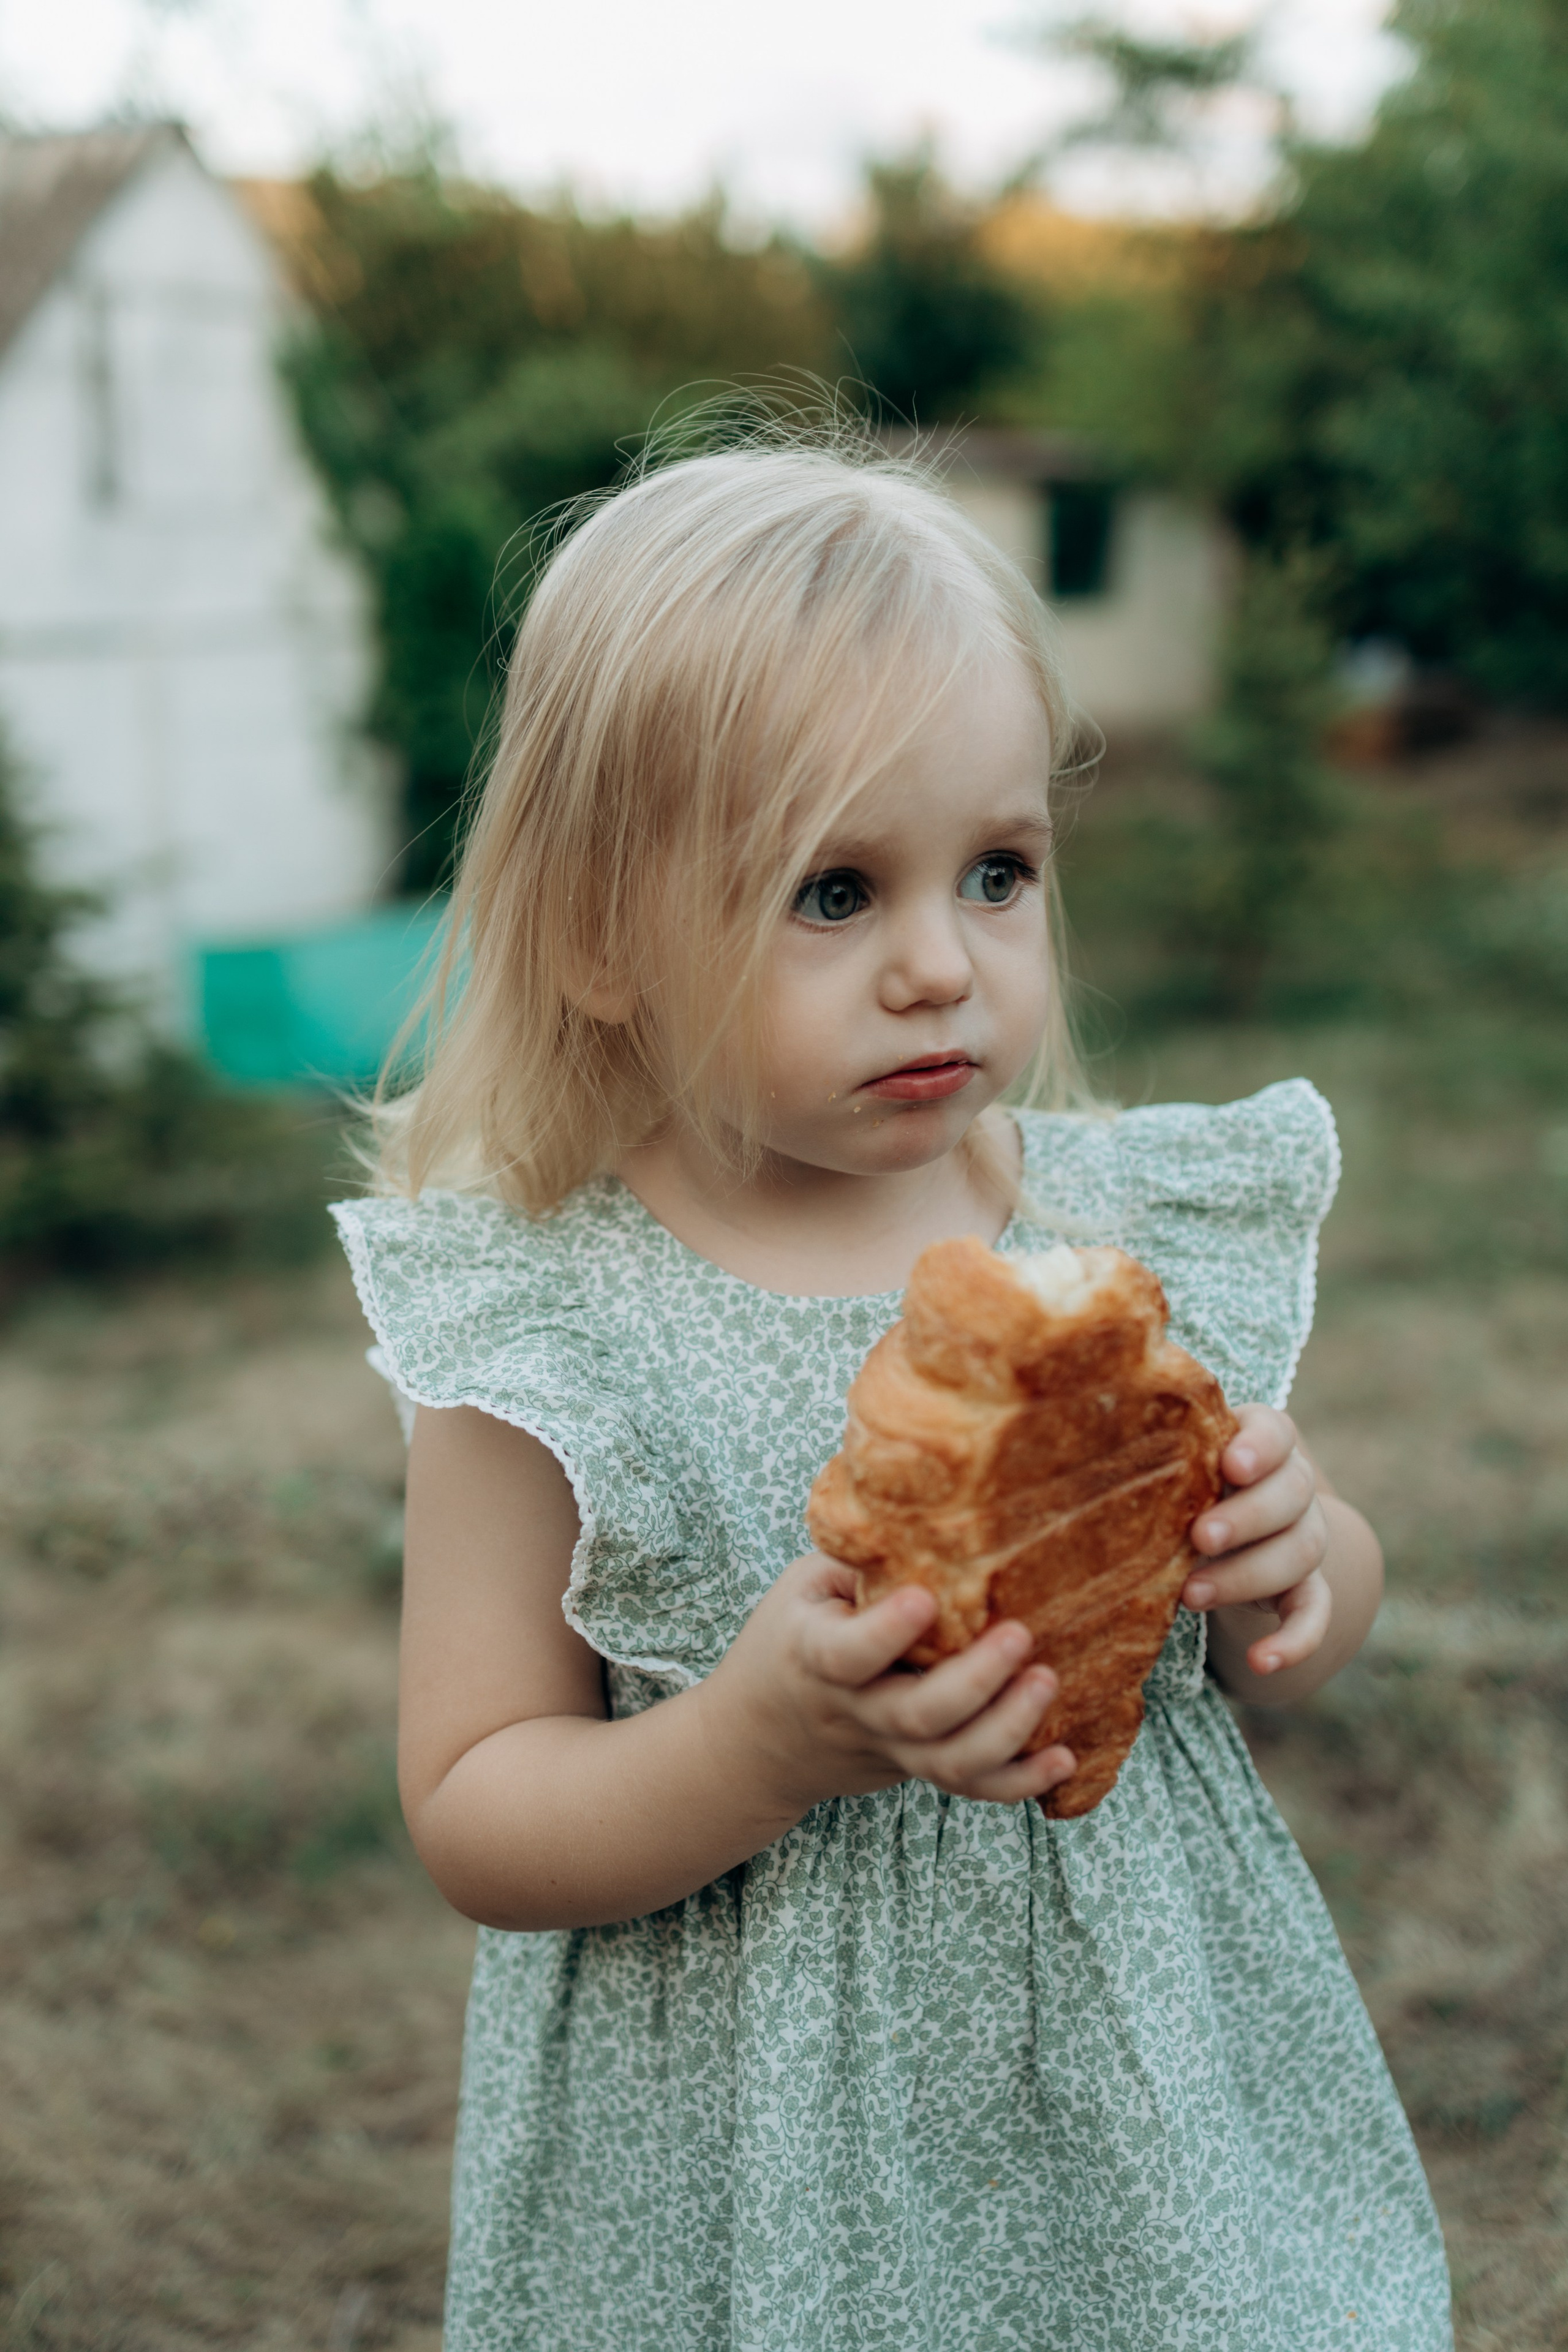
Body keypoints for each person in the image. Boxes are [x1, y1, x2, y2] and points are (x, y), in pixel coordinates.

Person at [332, 426, 1452, 2351]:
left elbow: (1283, 1644)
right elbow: (476, 1806)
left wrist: (1299, 1559)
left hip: (1149, 2108)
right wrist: (755, 1748)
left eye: (996, 872)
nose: (943, 965)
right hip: (744, 2147)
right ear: (601, 934)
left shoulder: (1112, 1248)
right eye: (833, 894)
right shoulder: (552, 1327)